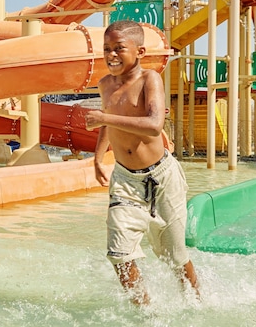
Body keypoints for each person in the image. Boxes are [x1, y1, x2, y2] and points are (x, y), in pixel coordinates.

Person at [83, 20, 199, 306]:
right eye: (106, 49)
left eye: (119, 48)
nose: (111, 55)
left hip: (162, 178)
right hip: (126, 180)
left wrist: (104, 117)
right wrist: (97, 158)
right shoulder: (105, 85)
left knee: (174, 256)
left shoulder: (150, 79)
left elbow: (154, 124)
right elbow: (108, 124)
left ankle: (196, 302)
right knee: (119, 254)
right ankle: (145, 313)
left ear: (140, 52)